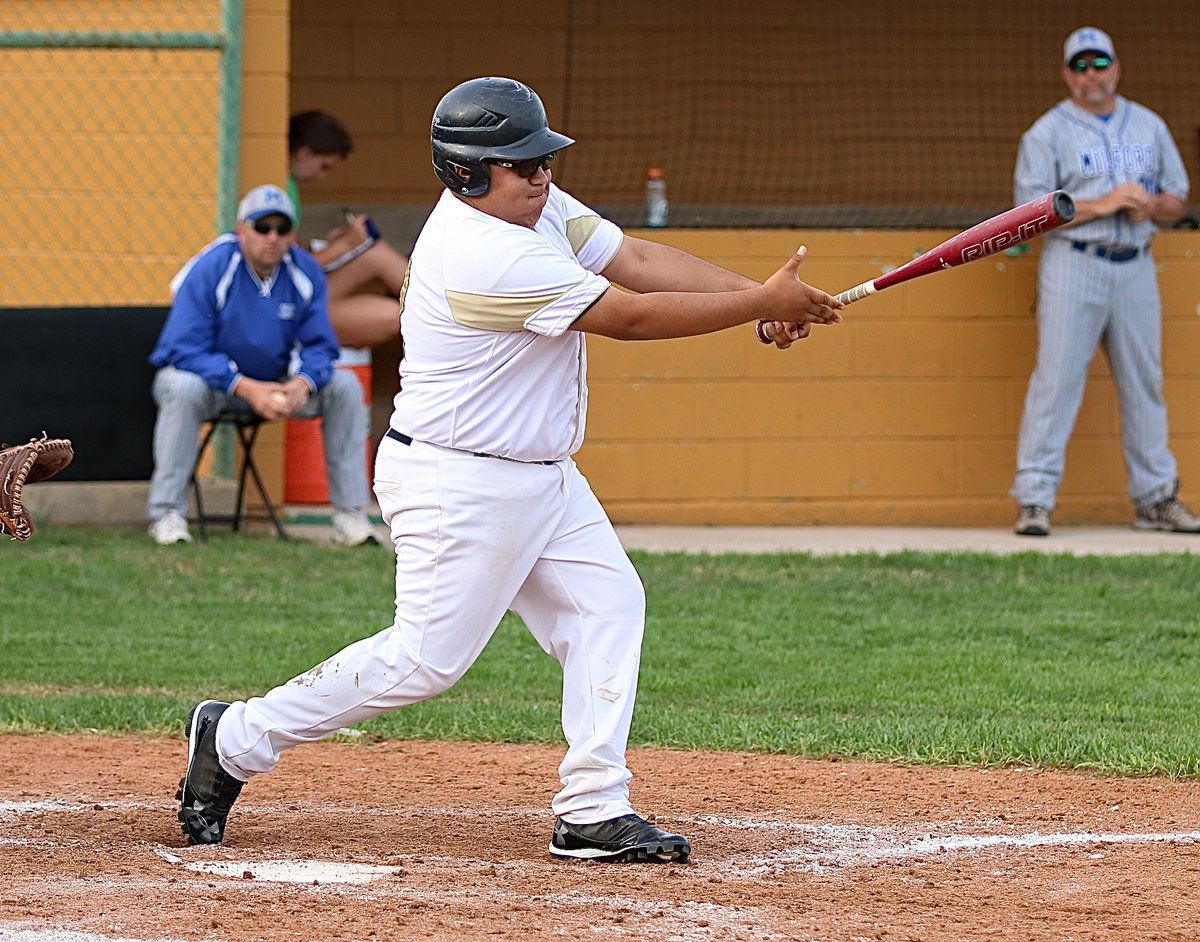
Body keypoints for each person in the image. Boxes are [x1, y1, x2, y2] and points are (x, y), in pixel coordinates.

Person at [176, 77, 841, 862]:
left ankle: (593, 807)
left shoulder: (534, 206)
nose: (542, 175)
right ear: (466, 172)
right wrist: (758, 303)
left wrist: (763, 297)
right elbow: (624, 315)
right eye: (522, 164)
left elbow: (633, 257)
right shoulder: (480, 253)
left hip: (541, 475)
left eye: (543, 160)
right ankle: (237, 736)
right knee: (424, 662)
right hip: (459, 482)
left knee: (608, 606)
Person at [1011, 27, 1199, 537]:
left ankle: (1156, 498)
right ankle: (1035, 499)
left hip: (1135, 263)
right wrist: (1107, 202)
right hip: (1074, 263)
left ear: (1116, 68)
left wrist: (1152, 206)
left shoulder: (1150, 125)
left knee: (1145, 383)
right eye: (1080, 65)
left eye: (1099, 63)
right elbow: (1028, 213)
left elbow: (1177, 197)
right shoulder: (1046, 132)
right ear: (1067, 74)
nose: (1090, 74)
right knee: (1056, 381)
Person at [147, 184, 378, 547]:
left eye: (281, 229)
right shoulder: (213, 264)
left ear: (292, 235)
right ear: (241, 230)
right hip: (213, 387)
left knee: (345, 386)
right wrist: (245, 386)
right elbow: (182, 348)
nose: (272, 237)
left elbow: (320, 346)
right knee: (181, 386)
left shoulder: (303, 271)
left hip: (274, 385)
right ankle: (167, 514)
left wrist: (301, 383)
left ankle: (350, 516)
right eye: (261, 227)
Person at [288, 110, 409, 349]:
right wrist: (344, 245)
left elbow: (291, 253)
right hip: (283, 308)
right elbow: (287, 270)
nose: (322, 177)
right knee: (394, 315)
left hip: (302, 292)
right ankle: (448, 321)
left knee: (375, 252)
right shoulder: (276, 190)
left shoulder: (287, 184)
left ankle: (448, 312)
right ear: (304, 153)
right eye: (323, 166)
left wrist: (331, 243)